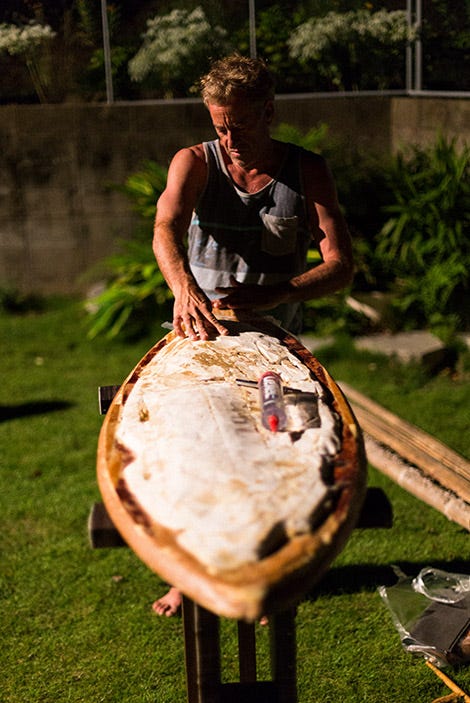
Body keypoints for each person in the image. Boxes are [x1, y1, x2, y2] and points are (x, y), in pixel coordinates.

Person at [151, 54, 354, 617]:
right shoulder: (195, 162)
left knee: (290, 452)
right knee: (195, 455)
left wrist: (278, 293)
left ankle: (276, 574)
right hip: (201, 346)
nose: (228, 137)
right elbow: (165, 227)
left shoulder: (307, 170)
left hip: (278, 351)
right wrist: (184, 290)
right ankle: (188, 576)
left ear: (268, 111)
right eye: (218, 124)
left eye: (238, 124)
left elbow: (340, 265)